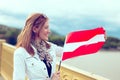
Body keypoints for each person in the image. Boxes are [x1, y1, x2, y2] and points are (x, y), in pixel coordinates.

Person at [13, 13, 63, 80]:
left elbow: (67, 51)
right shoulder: (21, 52)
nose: (49, 31)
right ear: (35, 29)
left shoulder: (50, 47)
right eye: (46, 28)